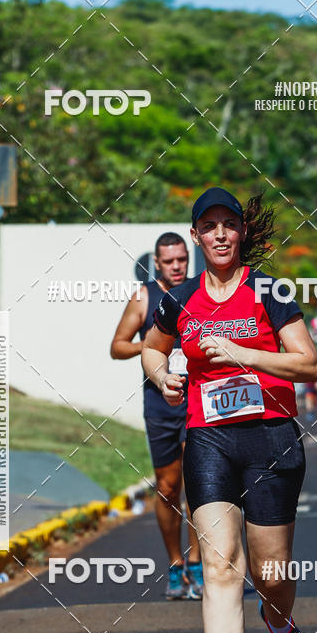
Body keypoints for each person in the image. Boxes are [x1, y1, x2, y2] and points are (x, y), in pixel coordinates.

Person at [142, 187, 317, 633]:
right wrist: (161, 376)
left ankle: (279, 620)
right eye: (208, 225)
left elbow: (308, 364)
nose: (219, 234)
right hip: (209, 439)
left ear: (242, 233)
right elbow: (152, 347)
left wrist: (247, 354)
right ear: (196, 236)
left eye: (229, 224)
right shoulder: (180, 298)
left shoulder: (271, 292)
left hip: (271, 439)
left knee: (271, 575)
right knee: (220, 567)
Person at [110, 232, 203, 600]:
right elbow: (116, 346)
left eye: (182, 259)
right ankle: (175, 564)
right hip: (160, 401)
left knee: (197, 482)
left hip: (196, 398)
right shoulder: (144, 297)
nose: (178, 266)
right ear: (157, 264)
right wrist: (150, 345)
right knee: (168, 487)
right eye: (169, 262)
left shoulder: (200, 291)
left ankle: (198, 563)